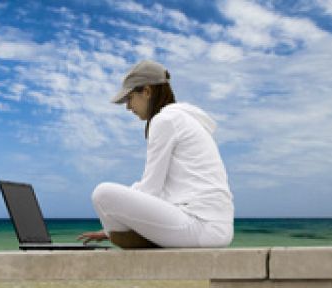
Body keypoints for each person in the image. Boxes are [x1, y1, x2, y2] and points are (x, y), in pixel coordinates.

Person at [76, 60, 234, 248]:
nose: (128, 107)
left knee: (101, 194)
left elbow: (151, 189)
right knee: (116, 201)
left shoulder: (165, 120)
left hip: (200, 227)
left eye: (130, 98)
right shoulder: (183, 119)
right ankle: (134, 236)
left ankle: (132, 237)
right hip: (215, 227)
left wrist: (114, 225)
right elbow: (160, 191)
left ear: (147, 92)